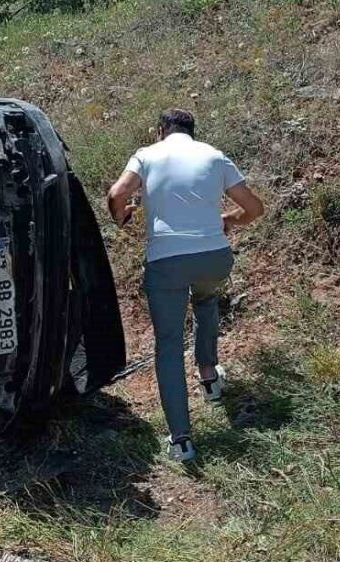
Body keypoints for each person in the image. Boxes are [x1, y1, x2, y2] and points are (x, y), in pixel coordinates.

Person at [106, 109, 264, 461]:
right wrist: (228, 220)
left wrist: (121, 217)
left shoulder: (146, 156)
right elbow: (254, 208)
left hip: (167, 262)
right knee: (206, 301)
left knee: (169, 344)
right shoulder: (214, 156)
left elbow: (118, 193)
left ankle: (182, 441)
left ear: (160, 130)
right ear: (192, 131)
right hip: (214, 258)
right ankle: (209, 377)